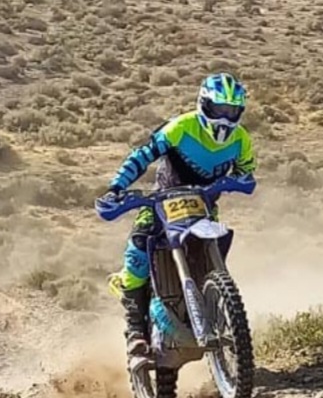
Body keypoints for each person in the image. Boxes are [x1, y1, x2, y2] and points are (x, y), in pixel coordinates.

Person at [100, 72, 258, 359]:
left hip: (204, 206)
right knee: (138, 249)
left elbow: (246, 170)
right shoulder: (180, 127)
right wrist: (116, 188)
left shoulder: (241, 139)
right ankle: (135, 331)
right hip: (162, 202)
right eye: (219, 109)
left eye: (231, 111)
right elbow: (142, 155)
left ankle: (217, 306)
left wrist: (241, 180)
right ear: (204, 104)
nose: (224, 118)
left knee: (214, 247)